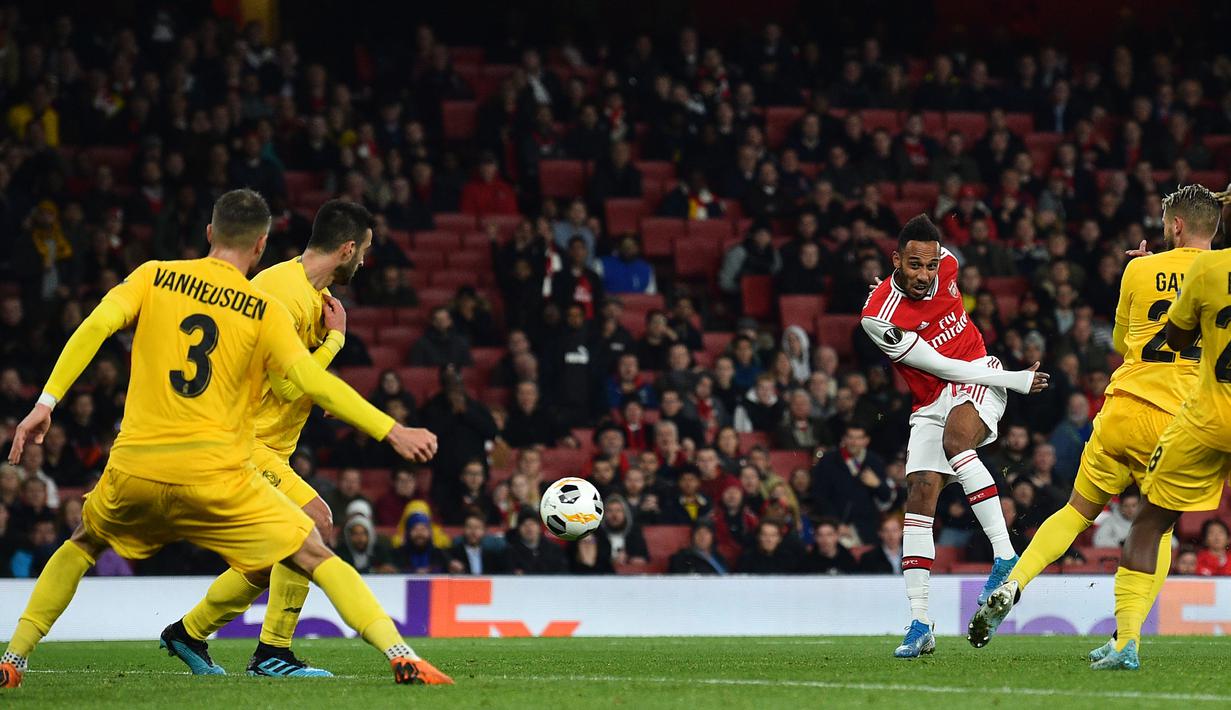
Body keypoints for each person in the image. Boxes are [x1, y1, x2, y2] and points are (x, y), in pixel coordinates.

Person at [0, 189, 450, 689]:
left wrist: (46, 402)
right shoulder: (265, 304)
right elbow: (303, 379)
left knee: (83, 544)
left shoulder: (154, 274)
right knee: (313, 540)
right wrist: (390, 426)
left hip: (137, 463)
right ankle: (378, 653)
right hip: (223, 462)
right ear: (260, 247)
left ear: (210, 233)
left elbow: (96, 324)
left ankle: (16, 658)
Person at [968, 185, 1218, 656]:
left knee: (1075, 513)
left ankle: (1012, 583)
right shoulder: (1222, 275)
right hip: (1175, 420)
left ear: (1177, 225)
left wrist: (1143, 267)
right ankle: (1127, 639)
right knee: (1157, 528)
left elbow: (1123, 343)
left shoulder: (1138, 267)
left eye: (1166, 224)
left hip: (1122, 407)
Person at [153, 198, 376, 676]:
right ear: (348, 248)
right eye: (365, 252)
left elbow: (281, 380)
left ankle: (188, 633)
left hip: (268, 443)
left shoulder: (309, 294)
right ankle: (272, 652)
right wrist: (336, 341)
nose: (366, 263)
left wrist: (319, 399)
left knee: (262, 563)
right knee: (314, 522)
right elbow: (287, 382)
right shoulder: (284, 293)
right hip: (242, 439)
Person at [859, 214, 1049, 658]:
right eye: (913, 266)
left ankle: (1004, 558)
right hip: (932, 395)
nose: (925, 274)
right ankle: (920, 622)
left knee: (956, 442)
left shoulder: (949, 263)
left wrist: (1006, 377)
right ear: (896, 261)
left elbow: (958, 363)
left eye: (929, 264)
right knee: (920, 497)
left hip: (979, 376)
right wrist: (1021, 381)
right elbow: (939, 367)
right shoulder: (877, 318)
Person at [1089, 188, 1231, 670]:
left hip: (1208, 416)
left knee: (1151, 522)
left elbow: (1173, 337)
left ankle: (1126, 640)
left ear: (1175, 226)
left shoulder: (1207, 272)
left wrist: (1152, 273)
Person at [504, 508, 567, 574]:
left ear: (539, 527)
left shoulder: (554, 550)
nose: (528, 528)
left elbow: (563, 575)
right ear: (519, 530)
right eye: (524, 525)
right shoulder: (511, 553)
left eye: (532, 524)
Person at [446, 511, 506, 575]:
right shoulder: (453, 552)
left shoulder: (493, 553)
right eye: (469, 527)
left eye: (477, 528)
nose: (473, 532)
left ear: (484, 531)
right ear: (464, 529)